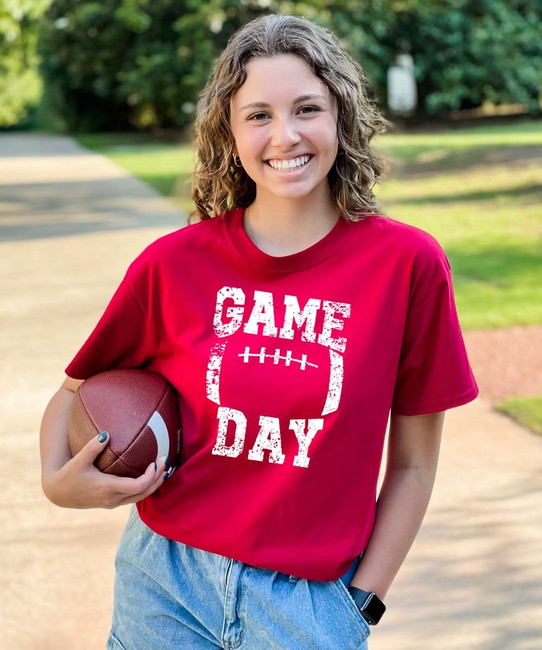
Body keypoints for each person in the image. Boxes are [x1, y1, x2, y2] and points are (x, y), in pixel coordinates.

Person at [40, 13, 479, 650]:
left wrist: (361, 604)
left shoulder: (407, 266)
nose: (286, 135)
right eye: (259, 115)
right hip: (164, 582)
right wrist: (58, 481)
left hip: (309, 605)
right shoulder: (173, 265)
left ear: (341, 117)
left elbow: (413, 464)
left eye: (307, 108)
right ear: (230, 131)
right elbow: (71, 391)